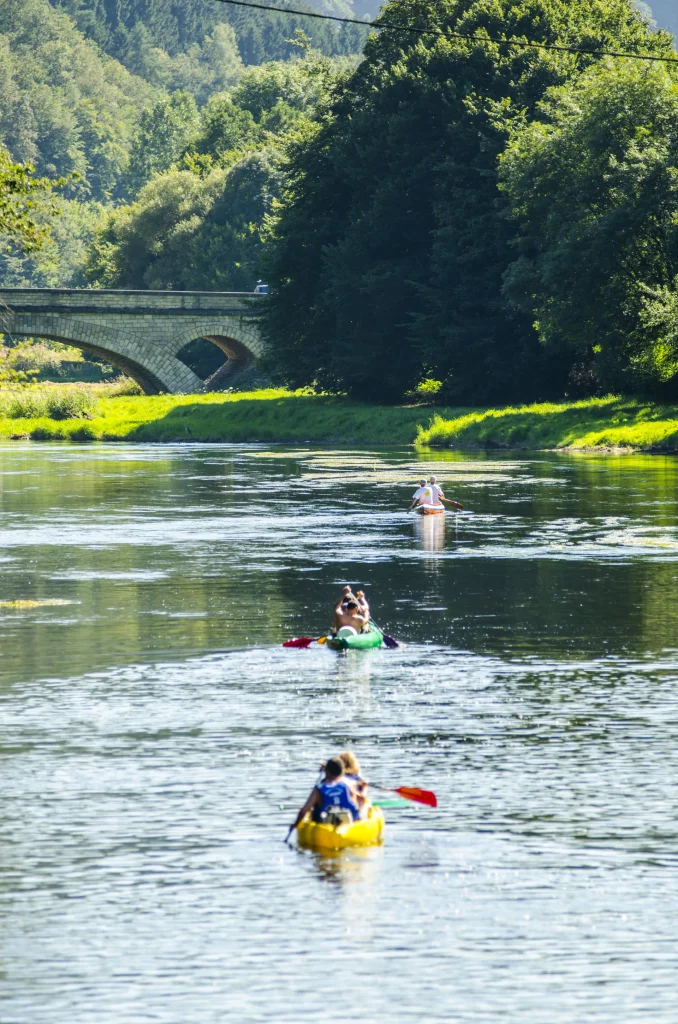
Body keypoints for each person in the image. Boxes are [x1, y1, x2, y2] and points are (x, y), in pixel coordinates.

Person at [292, 756, 360, 830]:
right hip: (347, 823)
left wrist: (295, 825)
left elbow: (303, 811)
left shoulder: (319, 788)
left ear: (327, 772)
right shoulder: (349, 785)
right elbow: (355, 805)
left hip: (325, 826)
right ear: (342, 771)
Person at [339, 750, 369, 815]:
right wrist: (364, 787)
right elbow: (362, 797)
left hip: (342, 806)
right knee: (366, 805)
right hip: (356, 808)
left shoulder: (337, 778)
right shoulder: (358, 778)